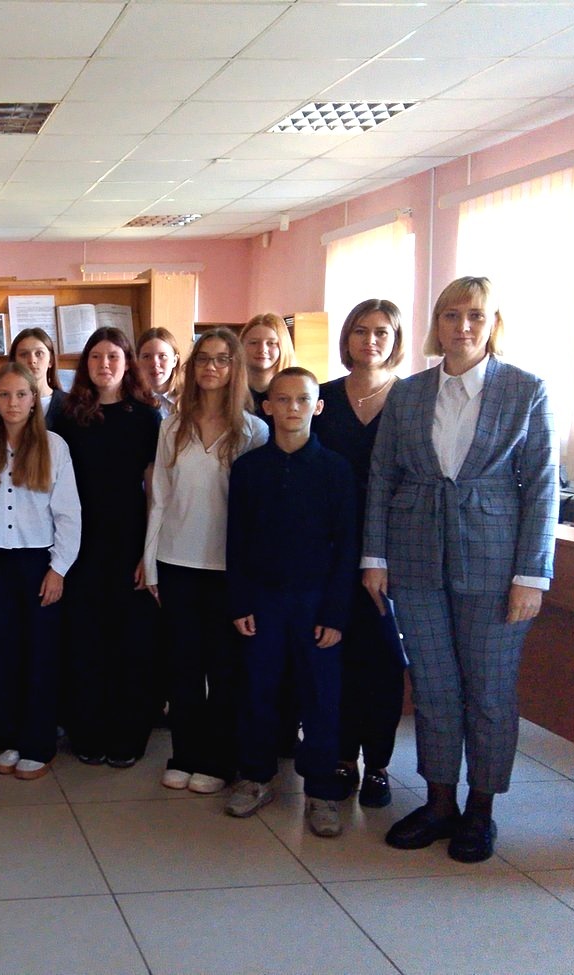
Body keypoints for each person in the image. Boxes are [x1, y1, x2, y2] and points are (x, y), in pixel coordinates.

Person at [364, 276, 557, 864]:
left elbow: (542, 486)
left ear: (492, 323)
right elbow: (382, 476)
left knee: (489, 692)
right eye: (451, 315)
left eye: (475, 315)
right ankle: (439, 802)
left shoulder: (525, 389)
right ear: (437, 324)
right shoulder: (409, 392)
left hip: (497, 564)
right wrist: (374, 557)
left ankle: (481, 808)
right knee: (433, 688)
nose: (463, 326)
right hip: (414, 557)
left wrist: (532, 574)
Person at [226, 368, 358, 837]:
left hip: (316, 602)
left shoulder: (335, 470)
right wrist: (239, 601)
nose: (292, 408)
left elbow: (346, 547)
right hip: (262, 600)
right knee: (257, 690)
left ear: (318, 406)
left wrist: (336, 613)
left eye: (303, 399)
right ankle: (256, 776)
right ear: (267, 407)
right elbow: (236, 540)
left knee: (320, 696)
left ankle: (321, 790)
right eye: (282, 400)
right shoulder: (249, 469)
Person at [143, 328, 268, 794]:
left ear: (235, 368)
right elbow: (159, 497)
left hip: (227, 568)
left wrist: (251, 577)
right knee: (183, 666)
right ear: (192, 367)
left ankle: (217, 762)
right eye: (203, 359)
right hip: (176, 560)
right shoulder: (172, 426)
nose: (211, 367)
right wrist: (150, 563)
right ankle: (185, 754)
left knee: (224, 668)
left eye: (222, 359)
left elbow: (257, 515)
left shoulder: (254, 431)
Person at [313, 300, 406, 808]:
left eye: (382, 332)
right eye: (361, 330)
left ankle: (380, 765)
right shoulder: (323, 398)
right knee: (336, 657)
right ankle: (343, 757)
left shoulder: (410, 398)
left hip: (391, 552)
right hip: (330, 551)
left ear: (395, 339)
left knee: (383, 662)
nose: (370, 340)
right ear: (347, 337)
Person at [0, 363, 81, 778]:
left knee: (40, 655)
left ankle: (38, 744)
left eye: (21, 394)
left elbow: (69, 515)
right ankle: (10, 739)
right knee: (4, 654)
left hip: (39, 563)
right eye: (4, 395)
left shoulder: (54, 446)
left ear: (34, 400)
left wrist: (58, 569)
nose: (12, 402)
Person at [55, 327, 161, 767]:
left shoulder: (147, 417)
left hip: (130, 542)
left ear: (127, 362)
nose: (104, 365)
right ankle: (88, 731)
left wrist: (148, 554)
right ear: (86, 364)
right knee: (85, 640)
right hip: (80, 543)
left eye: (113, 356)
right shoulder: (68, 415)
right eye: (96, 357)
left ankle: (127, 735)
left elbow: (155, 490)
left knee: (130, 643)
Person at [241, 313, 297, 417]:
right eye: (254, 342)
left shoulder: (298, 392)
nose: (262, 350)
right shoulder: (229, 392)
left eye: (271, 343)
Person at [10, 327, 66, 429]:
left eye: (39, 353)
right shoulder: (6, 405)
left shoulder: (71, 405)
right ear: (14, 362)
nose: (32, 360)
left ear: (51, 360)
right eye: (24, 354)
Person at [136, 327, 181, 419]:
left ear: (174, 360)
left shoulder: (191, 400)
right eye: (146, 356)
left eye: (162, 356)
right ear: (138, 361)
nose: (155, 363)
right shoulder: (131, 403)